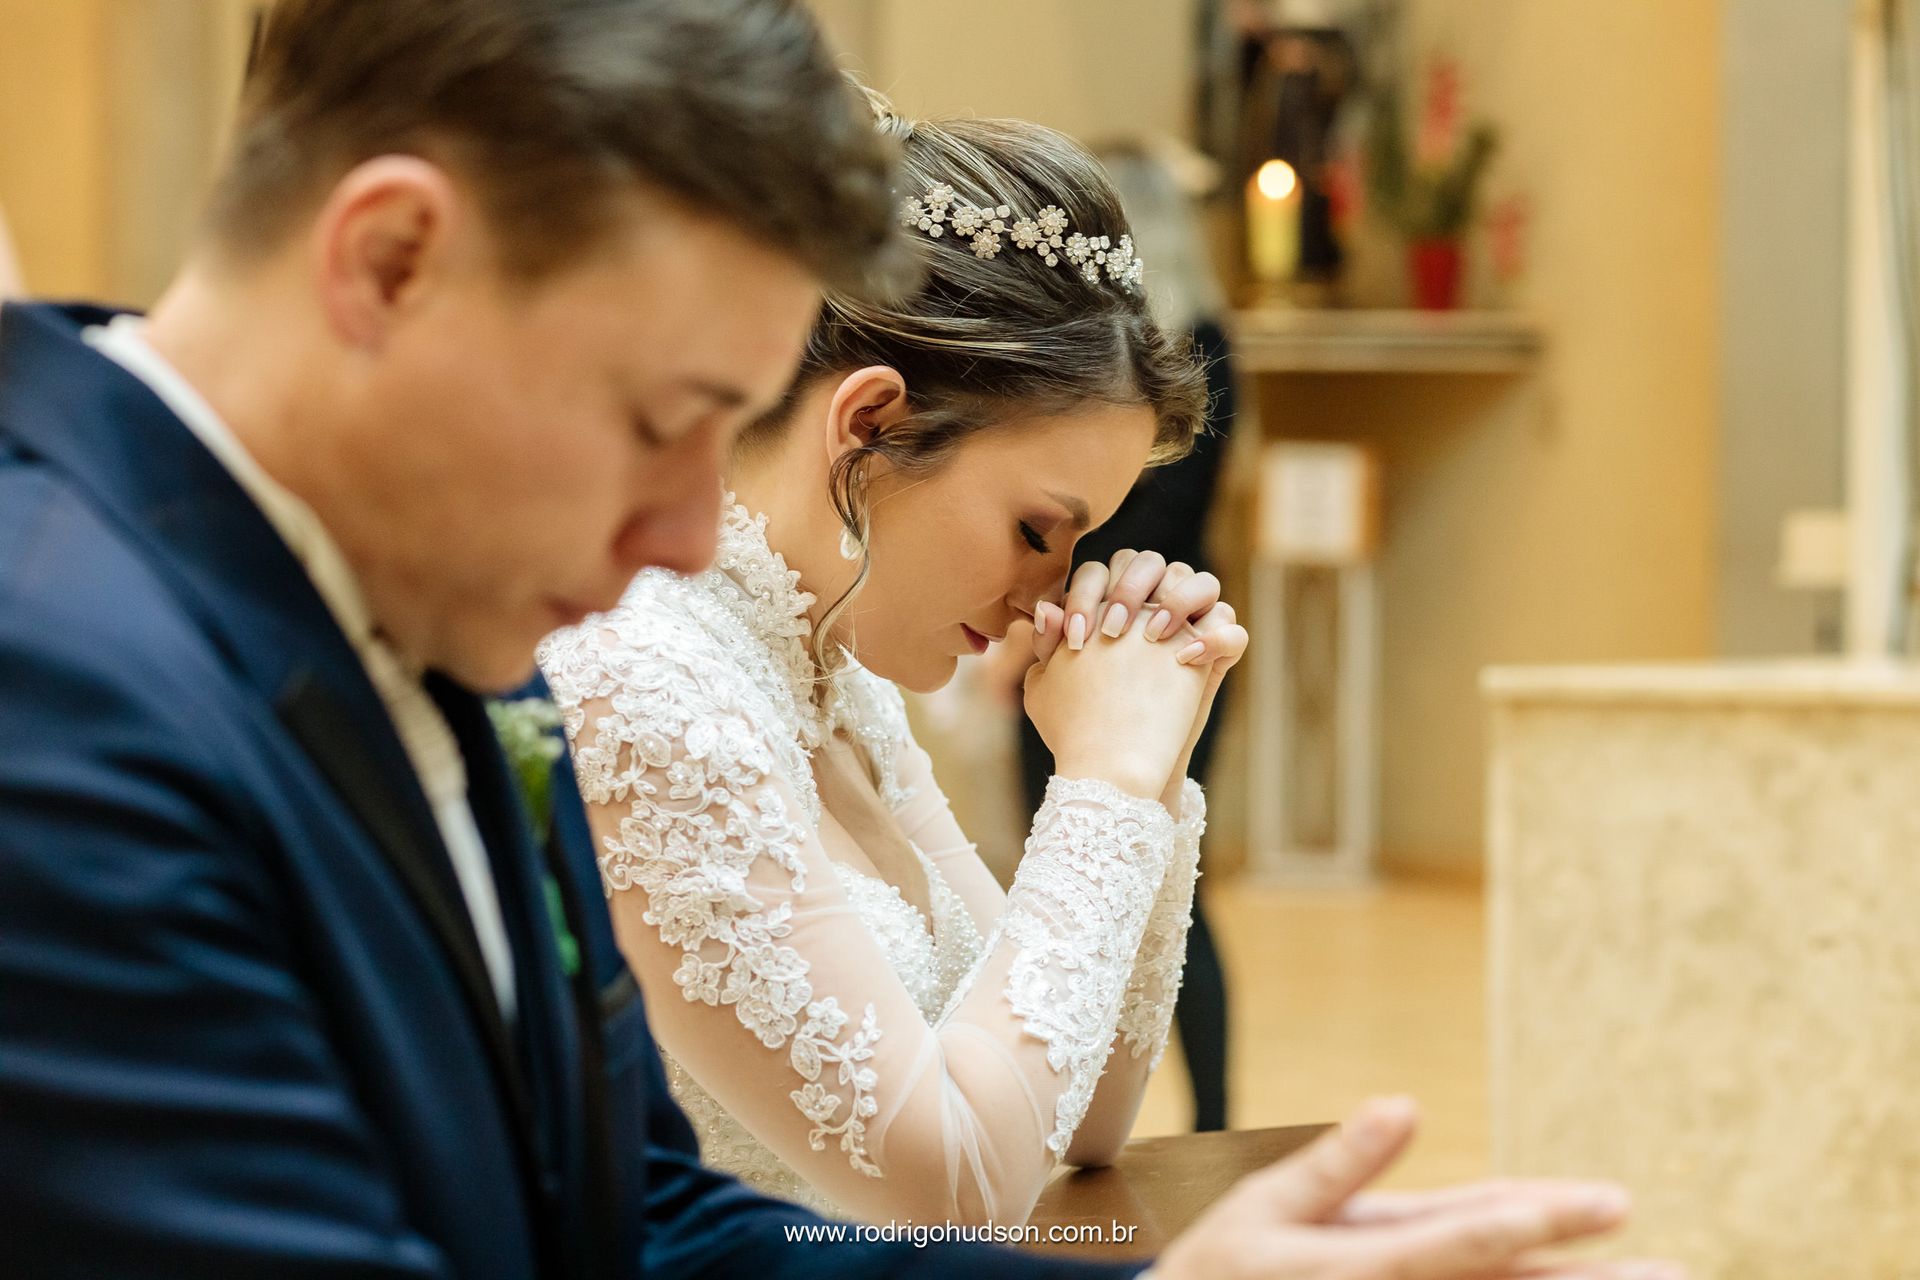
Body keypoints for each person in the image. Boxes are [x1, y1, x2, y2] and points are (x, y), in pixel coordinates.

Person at [0, 1, 1673, 1277]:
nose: (678, 535)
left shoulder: (438, 619)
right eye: (664, 417)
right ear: (391, 260)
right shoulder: (58, 702)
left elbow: (636, 1216)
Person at [539, 94, 1246, 1225]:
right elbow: (958, 1189)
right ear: (869, 426)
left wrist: (1147, 766)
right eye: (1035, 529)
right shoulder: (645, 685)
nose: (1048, 596)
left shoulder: (831, 676)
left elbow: (1074, 1120)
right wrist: (1104, 790)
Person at [1015, 140, 1239, 1135]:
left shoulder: (1196, 352)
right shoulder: (1204, 338)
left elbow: (1173, 499)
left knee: (1135, 848)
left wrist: (1070, 598)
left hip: (1124, 629)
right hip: (1119, 619)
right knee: (1083, 851)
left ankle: (1217, 1111)